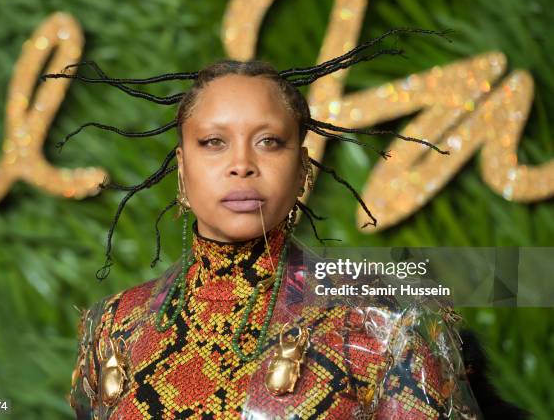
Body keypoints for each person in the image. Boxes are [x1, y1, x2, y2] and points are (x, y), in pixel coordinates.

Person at [44, 29, 528, 419]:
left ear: (302, 170)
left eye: (269, 141)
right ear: (182, 170)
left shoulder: (383, 323)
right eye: (213, 142)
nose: (241, 164)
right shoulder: (113, 328)